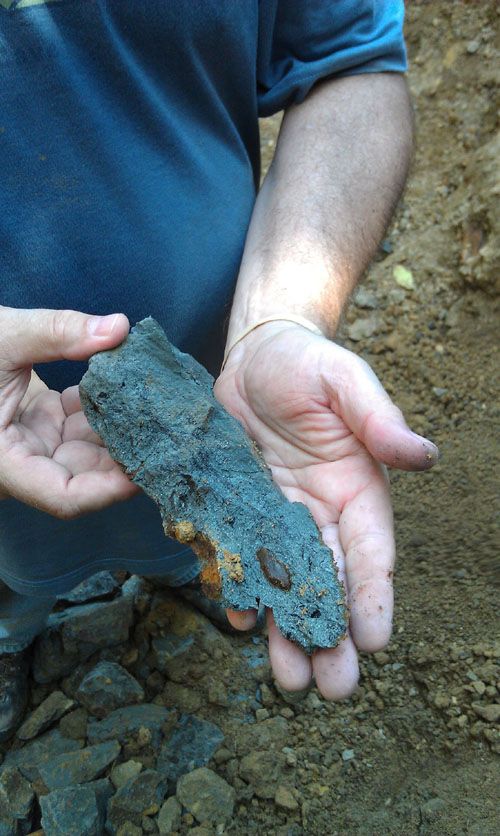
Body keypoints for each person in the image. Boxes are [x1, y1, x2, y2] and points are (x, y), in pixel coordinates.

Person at [0, 1, 438, 741]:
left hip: (225, 384)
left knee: (193, 527)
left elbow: (351, 56)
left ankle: (190, 563)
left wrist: (283, 315)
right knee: (13, 569)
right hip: (25, 465)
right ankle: (12, 628)